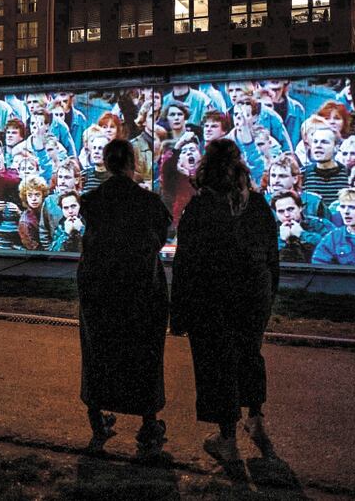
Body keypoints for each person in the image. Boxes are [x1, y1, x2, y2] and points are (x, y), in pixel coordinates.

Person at [171, 139, 279, 465]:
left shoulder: (200, 208)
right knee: (249, 353)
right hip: (253, 294)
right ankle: (255, 417)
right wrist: (268, 294)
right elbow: (272, 256)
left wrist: (178, 314)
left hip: (213, 297)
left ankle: (227, 439)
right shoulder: (257, 205)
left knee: (218, 366)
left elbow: (185, 264)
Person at [77, 139, 171, 457]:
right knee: (143, 355)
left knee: (98, 353)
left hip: (100, 290)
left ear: (106, 163)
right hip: (140, 291)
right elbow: (160, 235)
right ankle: (147, 424)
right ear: (133, 162)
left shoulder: (92, 201)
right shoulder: (149, 203)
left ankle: (96, 419)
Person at [312, 188, 355, 265]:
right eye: (342, 207)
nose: (346, 212)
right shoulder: (333, 237)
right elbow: (318, 264)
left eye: (353, 207)